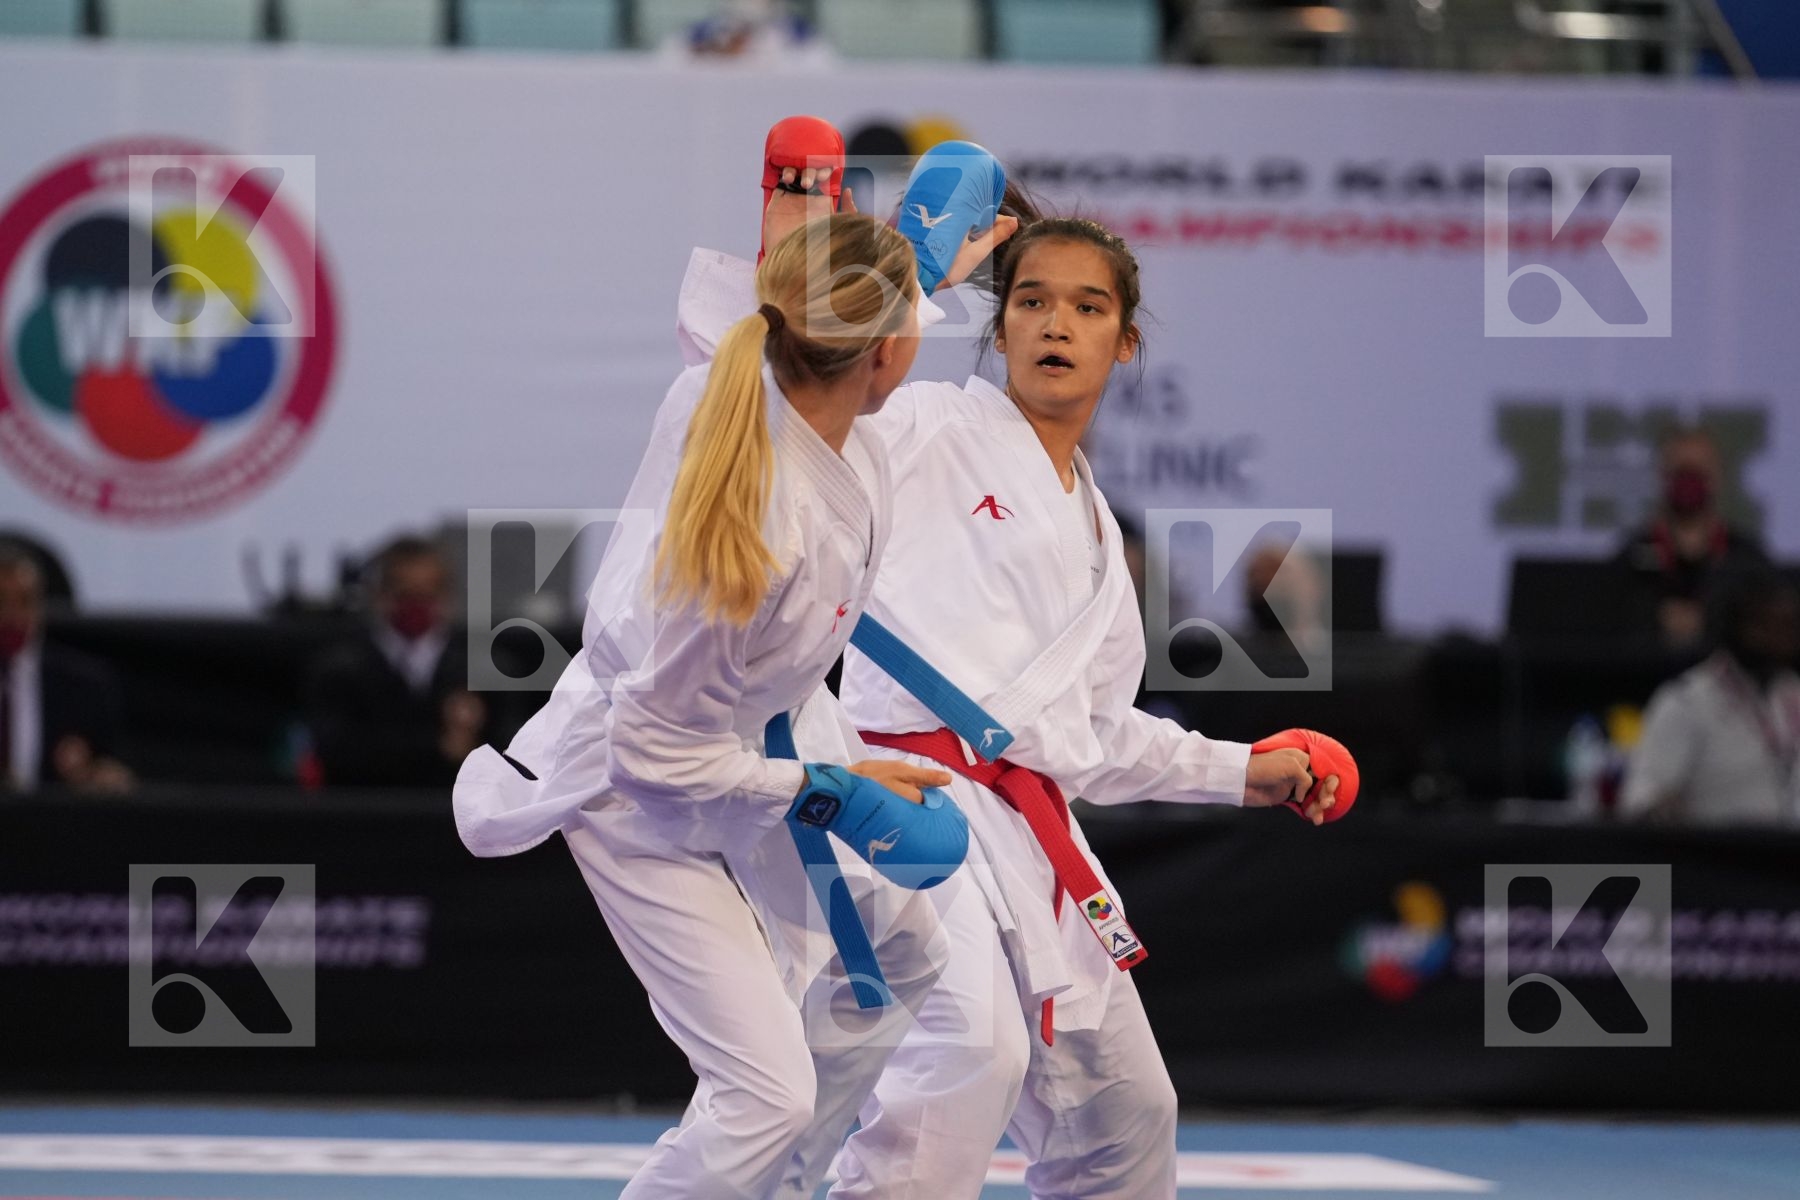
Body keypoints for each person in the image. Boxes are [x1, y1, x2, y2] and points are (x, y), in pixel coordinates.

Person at [680, 139, 1346, 1200]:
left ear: (1124, 345)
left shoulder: (1097, 545)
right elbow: (788, 378)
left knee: (1128, 1120)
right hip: (908, 808)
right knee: (962, 1066)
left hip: (1034, 837)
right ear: (998, 328)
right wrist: (859, 254)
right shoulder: (929, 425)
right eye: (1031, 300)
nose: (1055, 323)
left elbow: (1088, 736)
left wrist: (1240, 769)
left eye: (1087, 308)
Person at [453, 208, 977, 1200]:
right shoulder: (758, 530)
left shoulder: (762, 381)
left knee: (902, 950)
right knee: (763, 1092)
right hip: (634, 790)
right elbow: (658, 754)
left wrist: (925, 244)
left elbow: (807, 306)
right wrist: (834, 787)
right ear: (890, 351)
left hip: (732, 746)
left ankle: (779, 1188)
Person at [305, 536, 495, 787]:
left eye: (428, 594)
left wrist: (472, 739)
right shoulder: (340, 670)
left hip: (449, 817)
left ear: (447, 596)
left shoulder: (483, 670)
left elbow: (513, 754)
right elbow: (332, 750)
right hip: (365, 814)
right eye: (406, 594)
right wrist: (438, 746)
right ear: (380, 594)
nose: (417, 606)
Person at [1622, 570, 1800, 825]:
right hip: (1715, 856)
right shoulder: (1687, 701)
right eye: (1770, 627)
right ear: (1736, 627)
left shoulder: (1792, 694)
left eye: (1791, 627)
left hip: (1784, 856)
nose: (1786, 639)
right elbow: (1640, 800)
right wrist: (1662, 811)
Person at [1614, 426, 1768, 652]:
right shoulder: (1633, 554)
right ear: (1662, 475)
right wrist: (1656, 618)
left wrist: (1711, 619)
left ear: (1717, 477)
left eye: (1698, 472)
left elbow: (1768, 628)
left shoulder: (1747, 559)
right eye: (1680, 472)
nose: (1689, 482)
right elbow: (1611, 621)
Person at [0, 540, 132, 794]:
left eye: (25, 602)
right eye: (1, 602)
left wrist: (93, 775)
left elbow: (117, 775)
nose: (13, 616)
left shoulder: (86, 686)